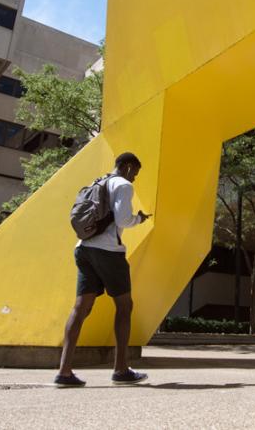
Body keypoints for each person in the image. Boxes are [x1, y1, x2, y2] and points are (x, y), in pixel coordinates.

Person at [54, 152, 151, 387]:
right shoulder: (123, 184)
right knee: (125, 306)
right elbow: (122, 220)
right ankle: (121, 369)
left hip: (83, 248)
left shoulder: (98, 181)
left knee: (80, 307)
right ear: (128, 167)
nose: (135, 178)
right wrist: (139, 219)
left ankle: (64, 372)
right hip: (108, 251)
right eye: (135, 173)